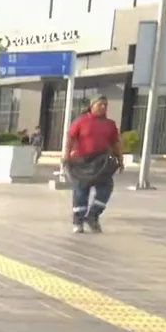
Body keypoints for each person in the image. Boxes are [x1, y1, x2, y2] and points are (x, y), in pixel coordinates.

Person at [64, 95, 123, 234]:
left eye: (105, 105)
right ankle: (78, 221)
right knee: (81, 190)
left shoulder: (110, 124)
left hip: (101, 162)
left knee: (106, 188)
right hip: (81, 161)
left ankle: (93, 215)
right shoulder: (80, 121)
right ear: (92, 106)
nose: (103, 107)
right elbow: (70, 138)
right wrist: (66, 156)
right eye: (100, 104)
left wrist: (120, 159)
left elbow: (115, 143)